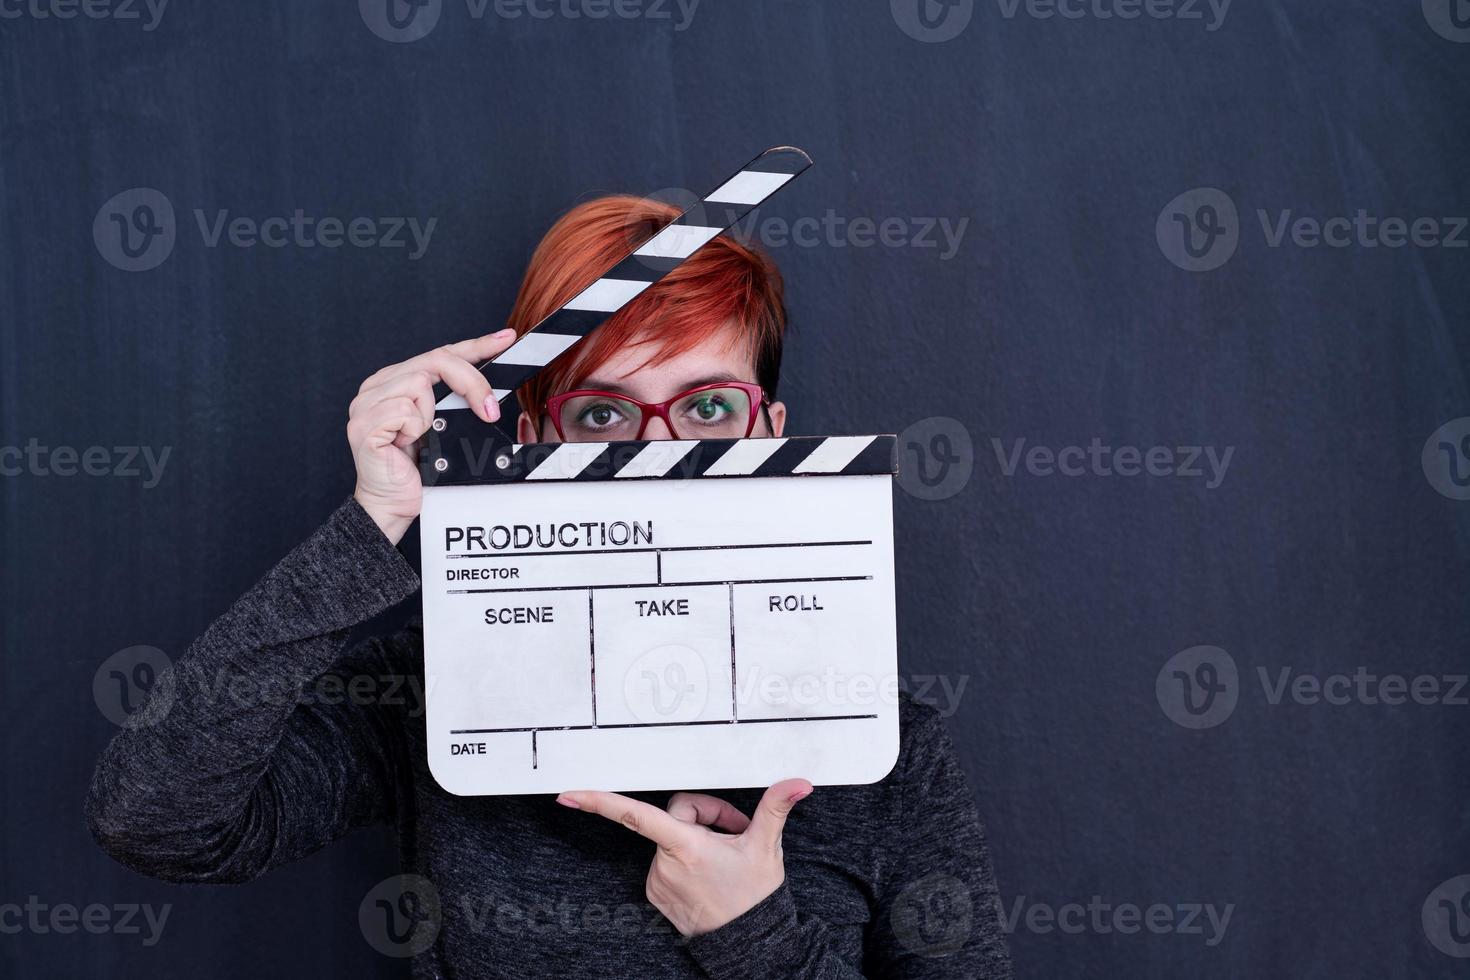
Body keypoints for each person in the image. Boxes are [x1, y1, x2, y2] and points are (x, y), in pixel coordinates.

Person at [86, 195, 1013, 978]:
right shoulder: (436, 694)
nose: (662, 454)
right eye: (602, 411)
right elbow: (160, 822)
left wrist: (752, 935)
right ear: (533, 439)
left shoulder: (883, 746)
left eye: (708, 407)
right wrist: (374, 520)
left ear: (770, 429)